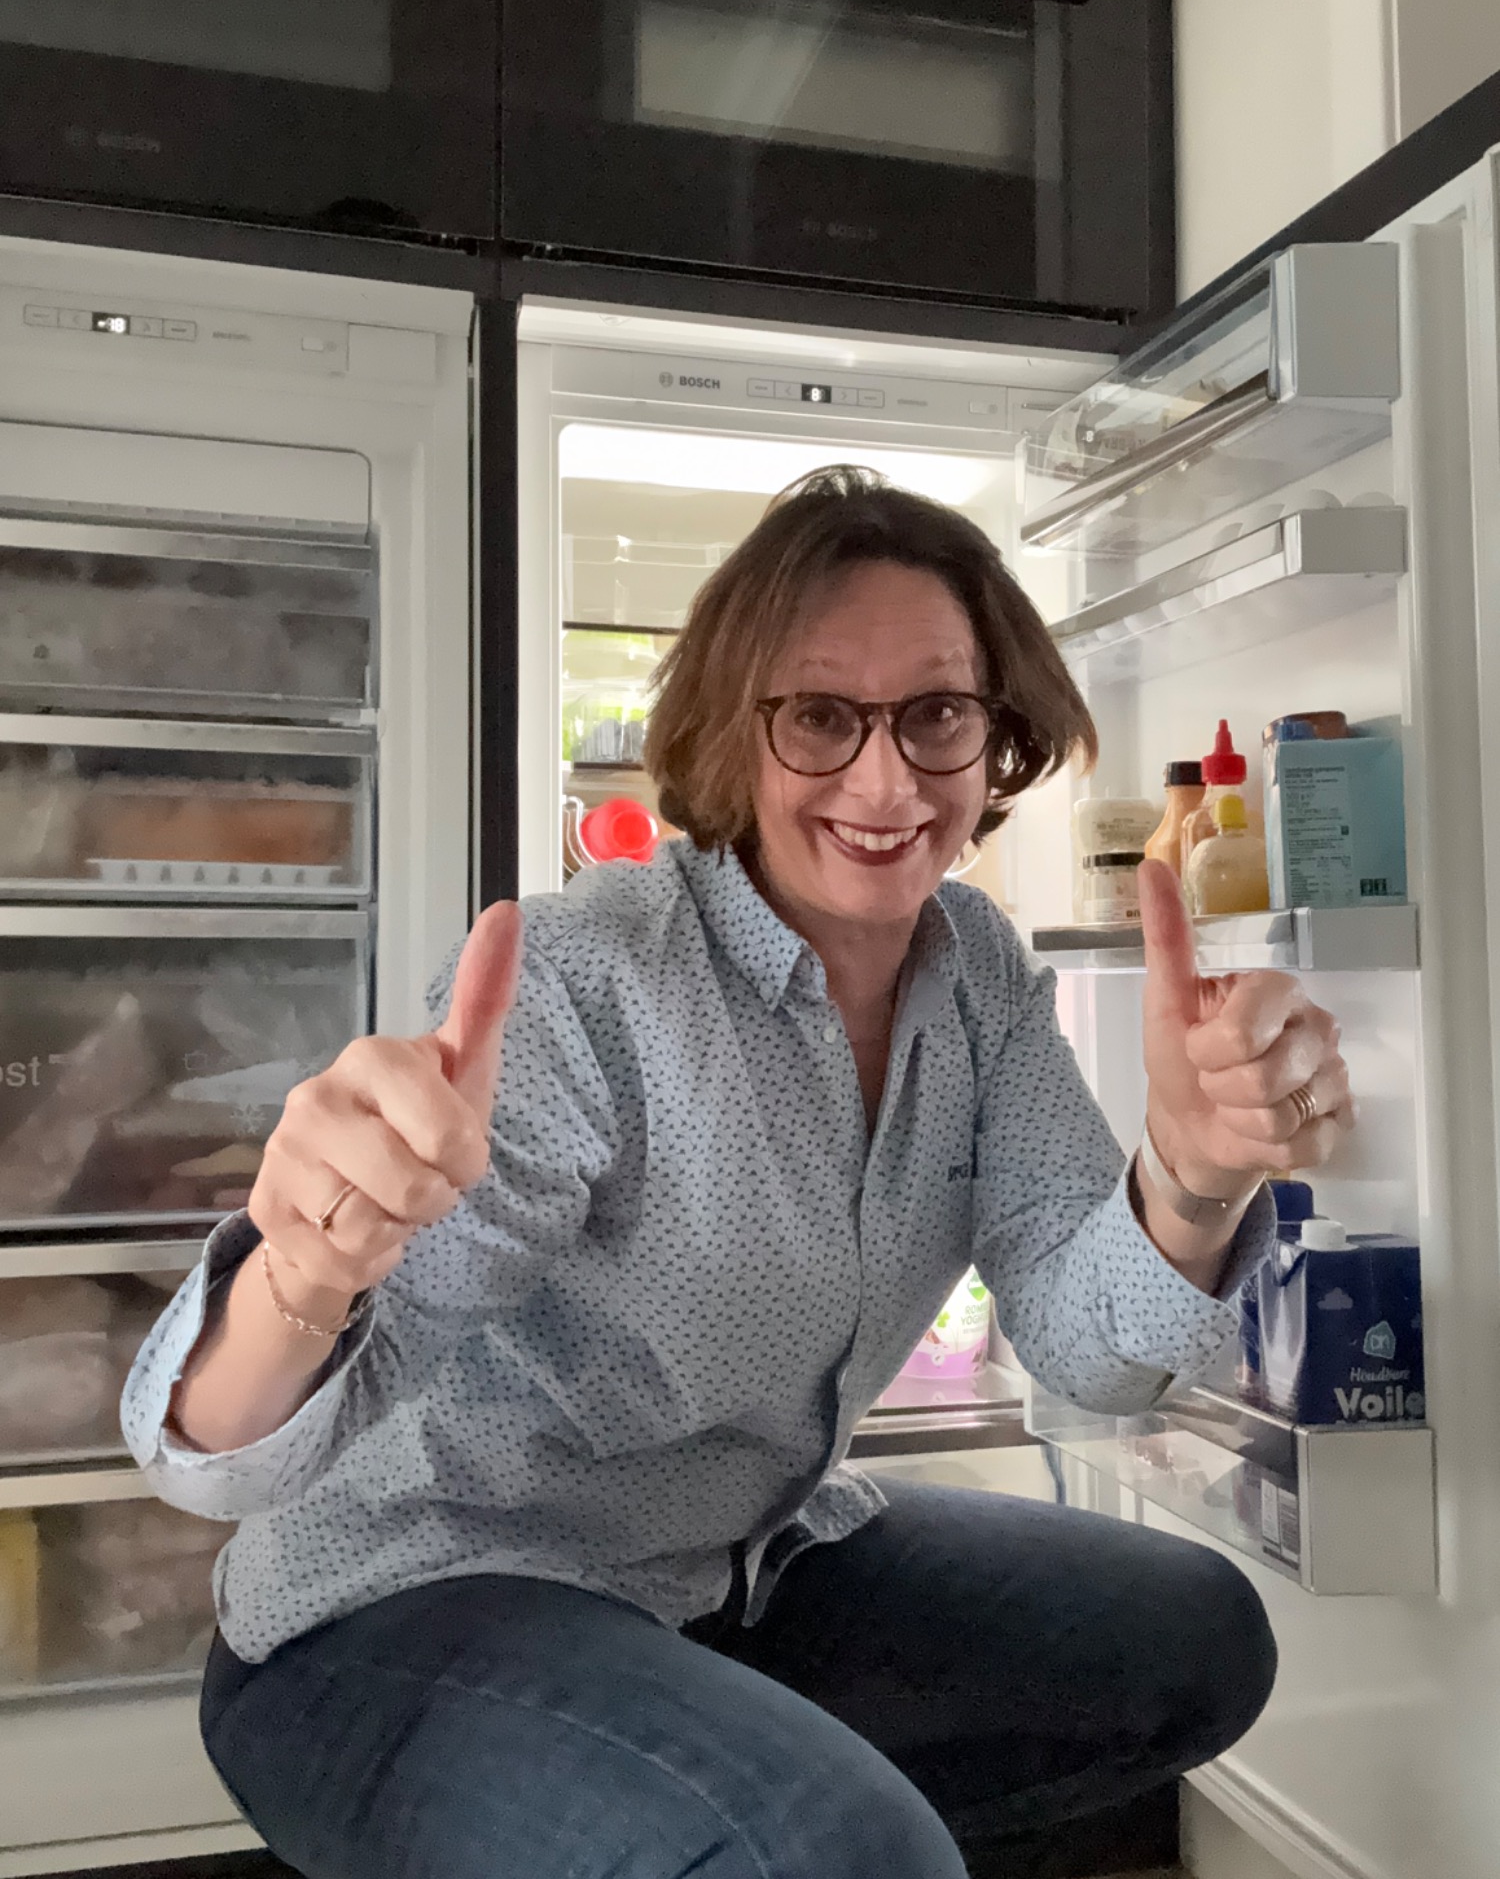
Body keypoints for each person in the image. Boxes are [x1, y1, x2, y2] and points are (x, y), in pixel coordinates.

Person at [125, 466, 1351, 1879]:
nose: (886, 782)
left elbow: (1088, 1352)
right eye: (820, 717)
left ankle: (728, 1819)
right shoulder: (594, 979)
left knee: (1191, 1640)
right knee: (844, 1850)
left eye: (938, 714)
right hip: (405, 1605)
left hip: (732, 1573)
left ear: (994, 735)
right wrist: (306, 1267)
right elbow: (218, 1451)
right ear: (734, 729)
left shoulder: (979, 978)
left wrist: (1193, 1172)